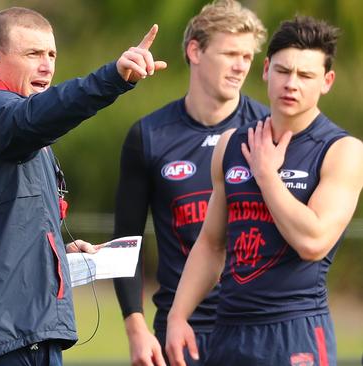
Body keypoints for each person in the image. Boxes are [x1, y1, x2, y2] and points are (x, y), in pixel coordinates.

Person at [0, 6, 167, 366]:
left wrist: (54, 255)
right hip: (2, 338)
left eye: (51, 54)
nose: (47, 65)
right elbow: (37, 116)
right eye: (33, 54)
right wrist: (113, 77)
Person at [166, 16, 363, 366]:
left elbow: (313, 242)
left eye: (306, 76)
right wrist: (178, 315)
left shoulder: (343, 150)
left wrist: (266, 175)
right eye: (284, 71)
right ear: (266, 69)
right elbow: (212, 243)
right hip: (228, 330)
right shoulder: (231, 143)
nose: (292, 84)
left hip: (295, 330)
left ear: (327, 81)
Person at [112, 1, 267, 365]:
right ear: (194, 51)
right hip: (179, 331)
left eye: (247, 56)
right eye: (230, 53)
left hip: (255, 325)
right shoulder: (149, 135)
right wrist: (135, 327)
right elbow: (125, 242)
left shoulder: (268, 130)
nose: (241, 65)